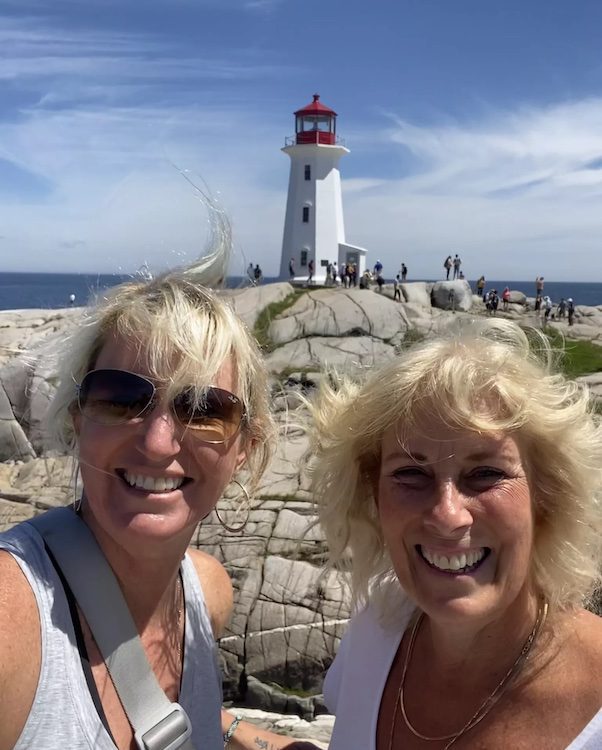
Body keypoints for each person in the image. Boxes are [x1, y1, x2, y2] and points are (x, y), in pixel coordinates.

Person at [0, 264, 317, 749]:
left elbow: (176, 714)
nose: (157, 441)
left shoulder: (207, 595)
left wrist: (253, 737)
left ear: (245, 448)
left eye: (205, 409)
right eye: (121, 398)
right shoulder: (11, 615)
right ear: (77, 419)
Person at [309, 318, 602, 749]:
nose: (448, 516)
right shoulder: (375, 634)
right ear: (373, 495)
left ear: (547, 496)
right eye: (410, 474)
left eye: (485, 473)